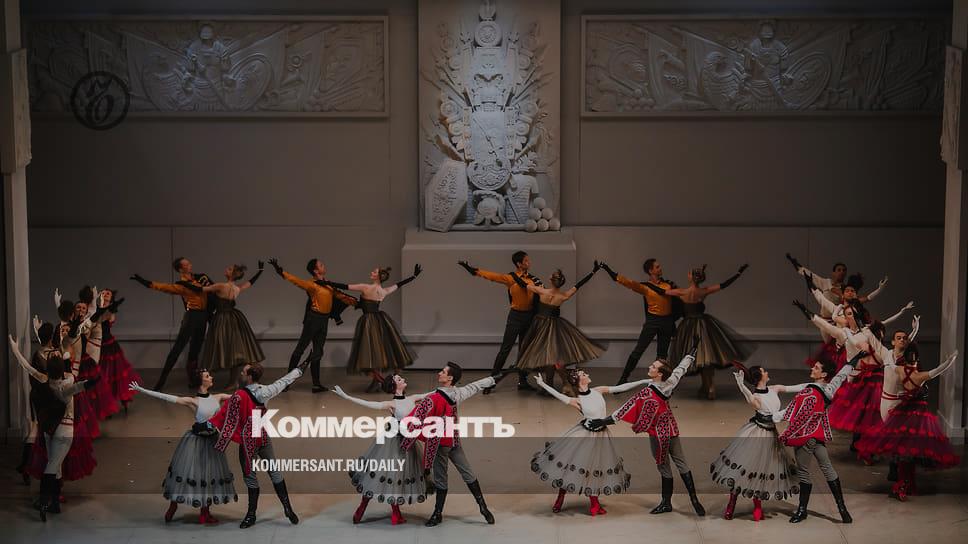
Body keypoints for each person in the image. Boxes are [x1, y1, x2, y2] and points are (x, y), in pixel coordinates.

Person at [584, 341, 705, 517]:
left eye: (653, 366)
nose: (650, 366)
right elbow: (680, 369)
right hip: (671, 429)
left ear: (659, 374)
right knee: (682, 463)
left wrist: (603, 421)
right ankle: (694, 500)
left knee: (664, 467)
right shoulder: (670, 382)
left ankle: (666, 503)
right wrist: (691, 353)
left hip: (657, 434)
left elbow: (625, 409)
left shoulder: (646, 393)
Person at [196, 360, 309, 528]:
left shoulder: (239, 395)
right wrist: (300, 369)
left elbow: (224, 415)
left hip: (248, 440)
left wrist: (205, 425)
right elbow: (284, 381)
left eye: (243, 372)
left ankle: (251, 515)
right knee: (274, 471)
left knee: (250, 476)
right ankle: (288, 508)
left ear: (249, 377)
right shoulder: (266, 391)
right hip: (262, 436)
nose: (241, 374)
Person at [128, 370, 237, 524]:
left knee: (208, 476)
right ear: (201, 382)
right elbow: (167, 397)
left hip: (212, 441)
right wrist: (143, 390)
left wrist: (260, 391)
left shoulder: (218, 397)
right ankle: (173, 506)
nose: (211, 377)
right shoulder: (193, 401)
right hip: (196, 443)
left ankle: (205, 512)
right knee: (187, 473)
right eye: (207, 376)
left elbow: (241, 397)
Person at [9, 334, 99, 522]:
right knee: (52, 466)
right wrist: (94, 380)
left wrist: (15, 349)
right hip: (64, 430)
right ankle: (45, 502)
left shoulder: (44, 379)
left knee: (55, 465)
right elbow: (82, 386)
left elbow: (26, 366)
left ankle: (54, 504)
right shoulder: (68, 382)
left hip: (49, 429)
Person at [855, 346, 960, 501]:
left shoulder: (900, 370)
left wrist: (891, 353)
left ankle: (905, 483)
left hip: (902, 413)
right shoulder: (920, 376)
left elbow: (890, 364)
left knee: (904, 451)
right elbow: (938, 370)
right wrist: (950, 361)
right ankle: (903, 485)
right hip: (917, 417)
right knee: (909, 452)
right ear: (917, 360)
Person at [400, 362, 498, 527]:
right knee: (468, 474)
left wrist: (401, 430)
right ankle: (483, 508)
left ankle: (438, 513)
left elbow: (415, 418)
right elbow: (475, 386)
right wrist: (493, 379)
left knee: (442, 480)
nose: (439, 373)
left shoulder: (433, 399)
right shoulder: (457, 394)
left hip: (441, 445)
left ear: (450, 378)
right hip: (453, 441)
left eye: (443, 372)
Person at [775, 328, 857, 524]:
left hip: (804, 436)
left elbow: (793, 411)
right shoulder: (820, 388)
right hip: (817, 436)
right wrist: (854, 360)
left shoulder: (816, 390)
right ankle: (843, 510)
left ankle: (802, 510)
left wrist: (769, 416)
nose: (813, 368)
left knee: (804, 472)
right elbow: (841, 374)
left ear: (823, 374)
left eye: (817, 367)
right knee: (828, 469)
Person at [531, 369, 639, 515]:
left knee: (595, 469)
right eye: (583, 374)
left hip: (601, 436)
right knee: (571, 468)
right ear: (578, 380)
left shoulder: (598, 390)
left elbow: (620, 387)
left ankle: (594, 503)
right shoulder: (578, 401)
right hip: (585, 436)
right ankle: (560, 498)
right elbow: (558, 395)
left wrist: (645, 382)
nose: (587, 375)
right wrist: (542, 384)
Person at [639, 263, 750, 399]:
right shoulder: (703, 291)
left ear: (691, 277)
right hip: (704, 325)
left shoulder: (682, 292)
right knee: (706, 356)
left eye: (689, 273)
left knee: (697, 357)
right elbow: (723, 285)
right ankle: (709, 386)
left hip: (688, 327)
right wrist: (738, 273)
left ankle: (708, 387)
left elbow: (662, 291)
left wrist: (647, 284)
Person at [332, 376, 431, 525]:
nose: (403, 379)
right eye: (399, 379)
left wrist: (452, 389)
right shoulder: (392, 404)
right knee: (384, 475)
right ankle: (368, 510)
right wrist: (346, 396)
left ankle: (392, 513)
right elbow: (368, 403)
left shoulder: (412, 398)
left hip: (408, 443)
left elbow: (433, 394)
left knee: (394, 477)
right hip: (393, 443)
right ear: (394, 386)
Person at [712, 364, 802, 521]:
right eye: (764, 371)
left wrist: (817, 386)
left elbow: (797, 387)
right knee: (746, 467)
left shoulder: (774, 389)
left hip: (771, 434)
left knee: (762, 471)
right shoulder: (756, 397)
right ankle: (732, 501)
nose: (767, 372)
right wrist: (741, 386)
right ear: (760, 377)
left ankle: (757, 504)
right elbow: (750, 398)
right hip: (757, 434)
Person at [511, 264, 605, 393]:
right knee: (552, 357)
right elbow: (579, 285)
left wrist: (513, 276)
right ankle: (556, 384)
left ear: (551, 280)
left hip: (539, 326)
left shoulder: (542, 291)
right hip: (553, 327)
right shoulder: (563, 296)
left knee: (548, 357)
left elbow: (523, 284)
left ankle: (553, 385)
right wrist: (593, 272)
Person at [458, 251, 542, 393]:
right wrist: (474, 271)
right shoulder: (511, 278)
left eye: (529, 260)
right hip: (515, 317)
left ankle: (522, 381)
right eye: (526, 261)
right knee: (505, 350)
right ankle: (490, 382)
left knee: (524, 351)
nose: (529, 263)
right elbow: (492, 276)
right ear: (519, 264)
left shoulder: (533, 280)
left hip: (529, 317)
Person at [326, 265, 420, 391]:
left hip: (369, 322)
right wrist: (413, 276)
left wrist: (326, 283)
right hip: (381, 321)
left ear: (378, 277)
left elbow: (344, 286)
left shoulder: (365, 287)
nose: (372, 272)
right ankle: (384, 380)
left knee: (371, 351)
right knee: (380, 350)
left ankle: (379, 381)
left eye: (374, 272)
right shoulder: (384, 291)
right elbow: (399, 284)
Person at [269, 257, 357, 393]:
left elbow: (340, 296)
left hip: (324, 320)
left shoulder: (327, 284)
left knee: (318, 351)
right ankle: (286, 383)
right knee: (301, 349)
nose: (323, 265)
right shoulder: (312, 284)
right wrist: (281, 272)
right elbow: (296, 281)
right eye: (321, 265)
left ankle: (316, 384)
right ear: (316, 271)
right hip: (313, 319)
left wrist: (357, 303)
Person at [131, 257, 214, 390]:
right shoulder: (181, 285)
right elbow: (162, 287)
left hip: (202, 317)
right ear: (181, 269)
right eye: (186, 264)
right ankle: (161, 381)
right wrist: (144, 281)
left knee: (195, 349)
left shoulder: (199, 278)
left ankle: (193, 379)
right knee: (178, 348)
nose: (190, 264)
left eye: (189, 262)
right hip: (192, 316)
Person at [178, 262, 265, 386]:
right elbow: (250, 283)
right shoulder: (237, 288)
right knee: (233, 350)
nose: (226, 269)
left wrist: (183, 283)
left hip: (222, 319)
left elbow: (200, 289)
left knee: (216, 348)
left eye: (229, 269)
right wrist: (260, 271)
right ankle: (232, 382)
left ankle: (205, 381)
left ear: (232, 274)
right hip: (234, 319)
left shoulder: (220, 286)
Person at [598, 259, 679, 385]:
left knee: (662, 354)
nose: (660, 268)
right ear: (650, 270)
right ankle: (623, 378)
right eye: (657, 267)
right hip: (652, 321)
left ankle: (660, 382)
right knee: (638, 350)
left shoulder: (668, 285)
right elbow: (626, 282)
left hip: (666, 322)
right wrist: (607, 269)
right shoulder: (645, 287)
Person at [96, 289, 142, 413]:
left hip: (109, 345)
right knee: (100, 374)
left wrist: (106, 308)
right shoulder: (95, 309)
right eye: (103, 293)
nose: (105, 294)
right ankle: (104, 403)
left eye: (108, 293)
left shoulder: (111, 310)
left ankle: (120, 400)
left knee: (113, 373)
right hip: (96, 345)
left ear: (111, 298)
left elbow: (107, 319)